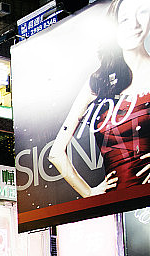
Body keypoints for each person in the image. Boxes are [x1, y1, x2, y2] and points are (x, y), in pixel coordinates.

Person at [49, 0, 150, 198]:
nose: (135, 25)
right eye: (125, 19)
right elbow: (55, 154)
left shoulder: (99, 81)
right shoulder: (97, 82)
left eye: (143, 13)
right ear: (115, 26)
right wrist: (89, 194)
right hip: (114, 204)